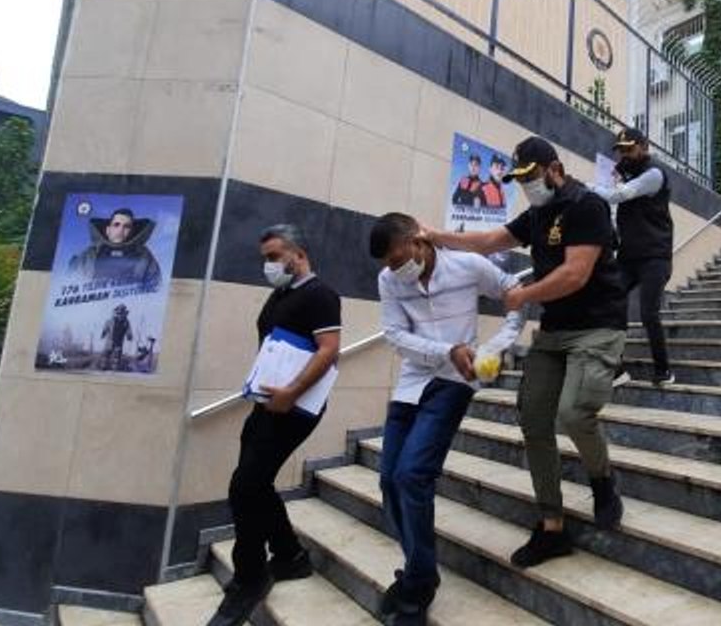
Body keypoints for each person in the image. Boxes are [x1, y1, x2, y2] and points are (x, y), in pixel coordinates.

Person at [425, 135, 627, 569]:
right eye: (519, 179)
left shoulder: (586, 205)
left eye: (531, 176)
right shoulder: (537, 213)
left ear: (554, 169)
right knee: (534, 419)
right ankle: (552, 526)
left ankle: (603, 480)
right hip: (555, 331)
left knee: (574, 413)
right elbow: (489, 241)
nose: (527, 185)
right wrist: (434, 237)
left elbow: (575, 275)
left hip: (597, 328)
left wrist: (523, 295)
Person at [370, 212, 525, 624]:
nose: (396, 271)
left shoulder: (467, 264)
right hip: (412, 382)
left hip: (454, 382)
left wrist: (498, 344)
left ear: (420, 242)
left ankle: (419, 584)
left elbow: (514, 292)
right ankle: (418, 569)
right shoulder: (389, 281)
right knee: (388, 477)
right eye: (389, 265)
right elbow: (394, 335)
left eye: (400, 259)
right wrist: (447, 350)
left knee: (412, 475)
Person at [208, 224, 341, 626]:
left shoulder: (321, 294)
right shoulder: (281, 294)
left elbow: (330, 350)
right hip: (268, 401)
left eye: (273, 257)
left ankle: (249, 578)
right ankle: (290, 555)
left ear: (297, 255)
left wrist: (291, 391)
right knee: (255, 482)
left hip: (296, 406)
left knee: (244, 486)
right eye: (264, 257)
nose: (267, 265)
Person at [593, 128, 675, 387]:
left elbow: (621, 195)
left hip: (655, 256)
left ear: (644, 146)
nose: (624, 154)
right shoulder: (625, 168)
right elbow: (619, 206)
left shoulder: (654, 174)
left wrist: (585, 188)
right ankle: (616, 369)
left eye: (630, 148)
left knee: (648, 313)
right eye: (621, 149)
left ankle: (663, 371)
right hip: (628, 256)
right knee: (608, 302)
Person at [69, 208, 163, 289]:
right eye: (116, 224)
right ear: (108, 230)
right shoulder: (90, 254)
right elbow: (72, 281)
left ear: (131, 232)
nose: (120, 230)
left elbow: (155, 286)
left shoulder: (144, 255)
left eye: (127, 226)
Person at [99, 303, 133, 371]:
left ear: (124, 313)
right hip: (110, 341)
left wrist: (129, 336)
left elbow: (128, 330)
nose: (120, 314)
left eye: (122, 312)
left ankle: (115, 368)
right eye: (119, 312)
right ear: (116, 312)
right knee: (106, 354)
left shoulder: (126, 322)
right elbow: (106, 327)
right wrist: (103, 334)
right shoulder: (110, 320)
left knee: (117, 356)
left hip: (119, 342)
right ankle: (103, 367)